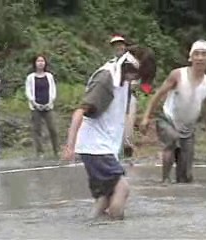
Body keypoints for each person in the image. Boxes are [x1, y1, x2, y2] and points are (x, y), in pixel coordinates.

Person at [62, 45, 156, 220]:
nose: (136, 80)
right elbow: (79, 112)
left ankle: (94, 226)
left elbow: (120, 116)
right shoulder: (106, 78)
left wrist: (128, 142)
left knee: (105, 197)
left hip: (104, 147)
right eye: (137, 75)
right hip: (95, 147)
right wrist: (70, 146)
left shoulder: (124, 81)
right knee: (123, 189)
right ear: (130, 66)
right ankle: (114, 229)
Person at [140, 39, 206, 184]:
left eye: (204, 54)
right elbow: (157, 96)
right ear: (191, 57)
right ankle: (165, 181)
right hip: (168, 119)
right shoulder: (178, 75)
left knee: (185, 178)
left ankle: (179, 183)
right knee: (171, 140)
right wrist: (146, 117)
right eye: (196, 54)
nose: (200, 58)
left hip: (188, 128)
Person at [25, 55, 59, 158]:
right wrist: (34, 103)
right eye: (38, 61)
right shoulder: (30, 77)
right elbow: (28, 91)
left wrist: (50, 102)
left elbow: (53, 90)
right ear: (35, 63)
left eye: (42, 61)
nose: (40, 63)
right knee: (37, 130)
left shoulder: (49, 76)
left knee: (53, 129)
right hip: (36, 107)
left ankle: (56, 150)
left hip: (48, 106)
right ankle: (40, 152)